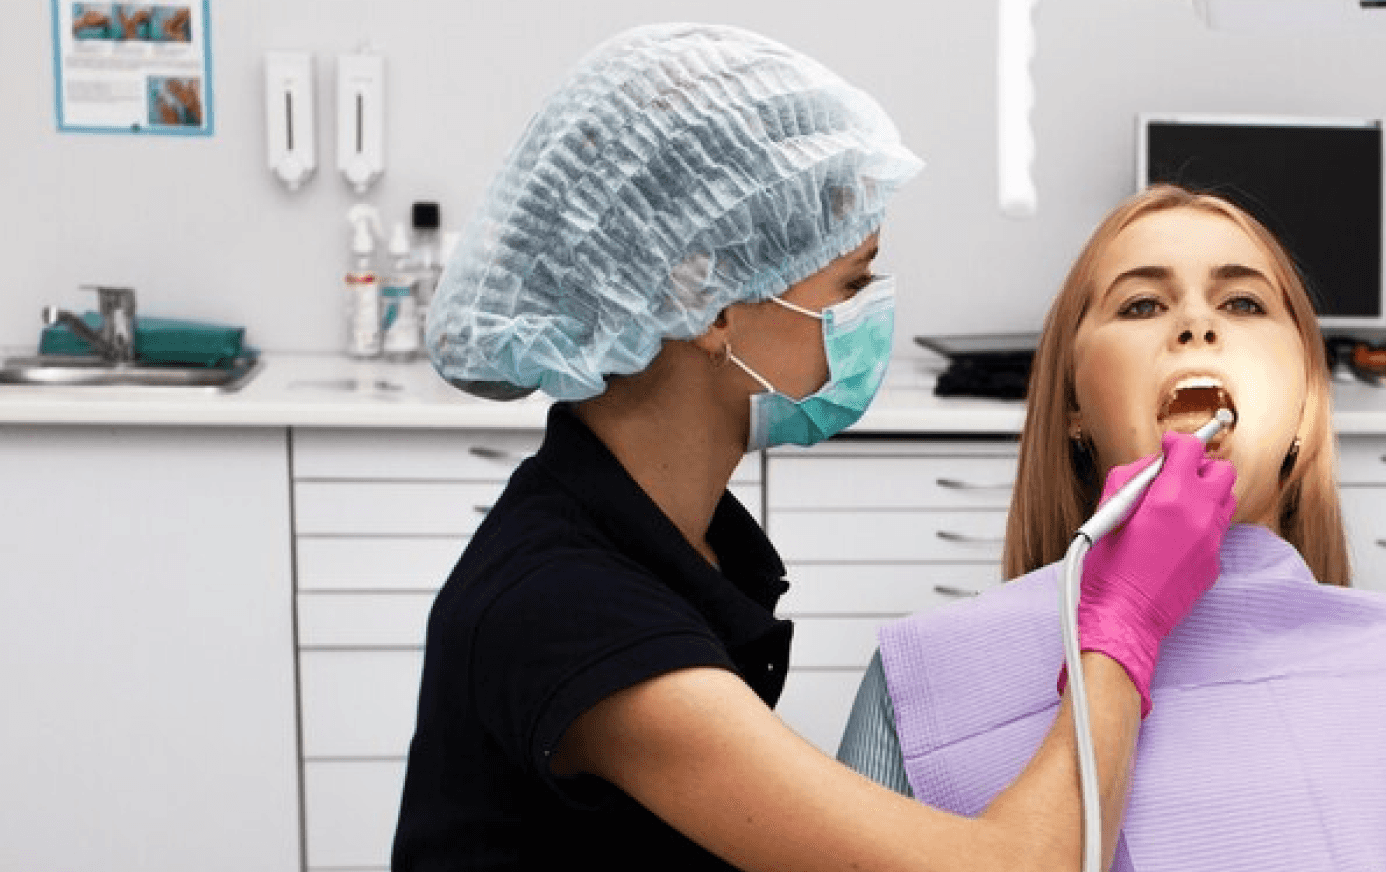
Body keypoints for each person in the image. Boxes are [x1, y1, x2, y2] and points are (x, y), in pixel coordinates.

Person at [397, 25, 1234, 872]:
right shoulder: (567, 609)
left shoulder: (681, 537)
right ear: (710, 304)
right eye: (850, 284)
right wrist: (1124, 619)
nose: (869, 314)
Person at [838, 185, 1386, 869]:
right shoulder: (928, 684)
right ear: (1072, 405)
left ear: (1304, 404)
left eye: (1244, 304)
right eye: (1140, 306)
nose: (1196, 324)